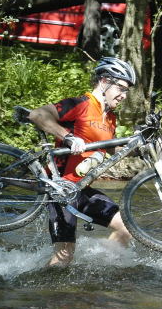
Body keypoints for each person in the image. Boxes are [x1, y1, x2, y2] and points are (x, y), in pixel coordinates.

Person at [28, 57, 135, 267]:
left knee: (127, 228)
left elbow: (111, 149)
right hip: (60, 190)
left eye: (127, 91)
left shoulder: (110, 118)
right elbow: (37, 115)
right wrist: (67, 136)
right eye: (121, 88)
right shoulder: (80, 104)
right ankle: (43, 292)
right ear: (104, 81)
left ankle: (100, 266)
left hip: (82, 189)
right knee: (64, 257)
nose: (124, 95)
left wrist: (139, 146)